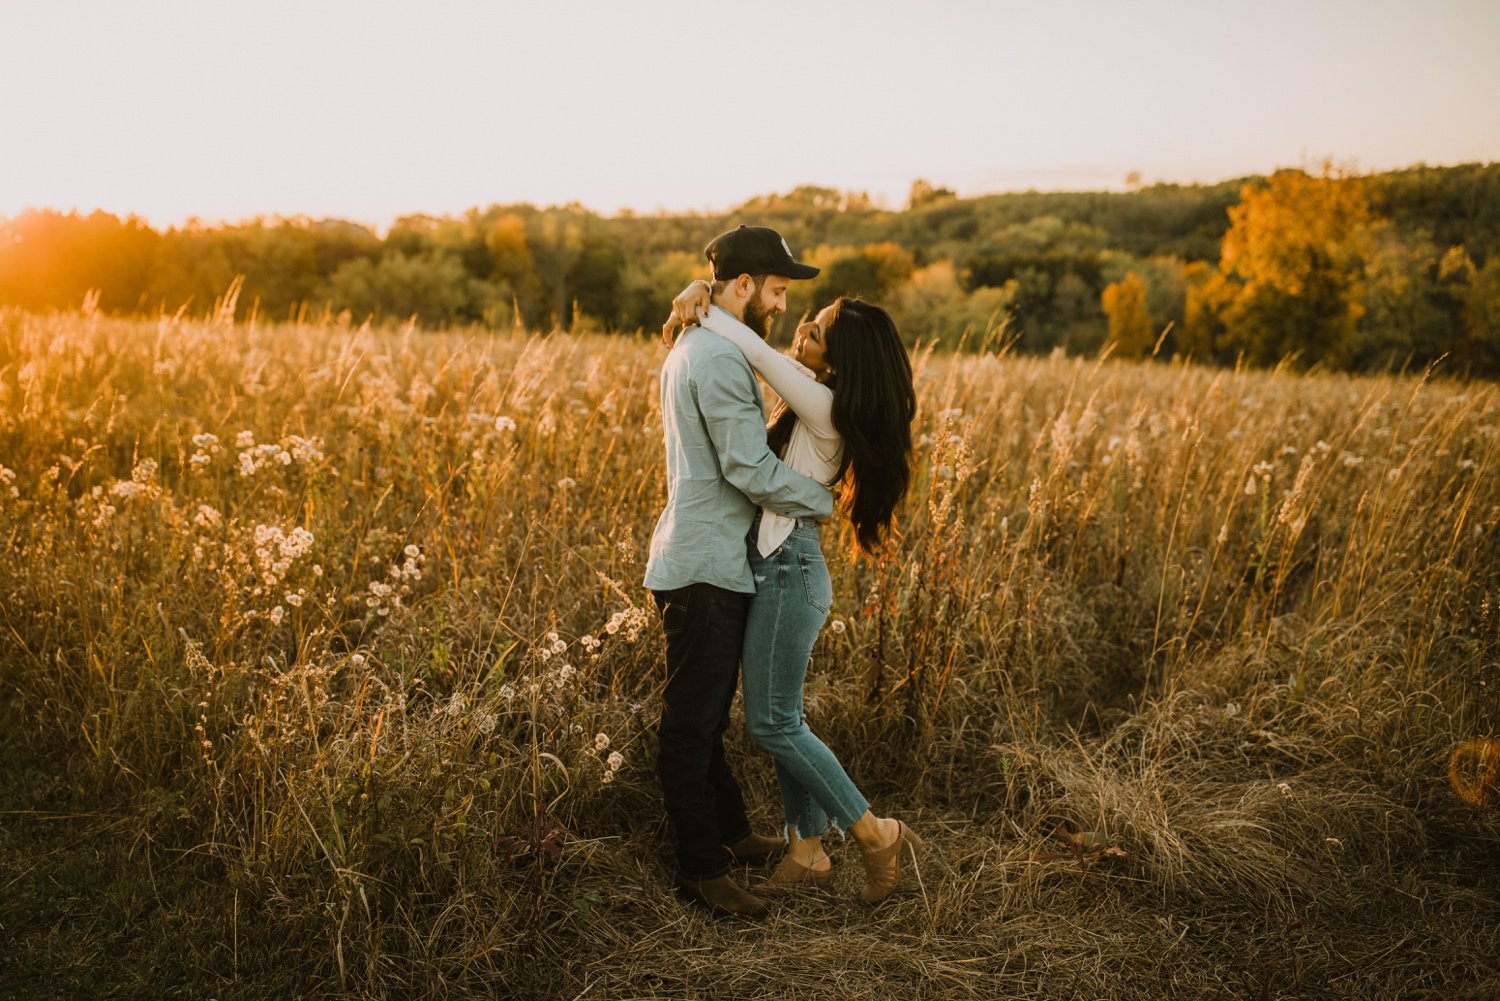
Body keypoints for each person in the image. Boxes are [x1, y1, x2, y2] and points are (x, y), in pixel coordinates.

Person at [662, 273, 924, 905]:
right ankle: (806, 848)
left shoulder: (825, 403)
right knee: (785, 716)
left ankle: (874, 831)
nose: (802, 325)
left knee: (773, 723)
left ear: (840, 357)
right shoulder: (822, 398)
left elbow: (754, 352)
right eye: (812, 317)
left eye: (820, 328)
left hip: (790, 569)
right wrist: (701, 284)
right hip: (782, 567)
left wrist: (702, 303)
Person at [643, 225, 833, 919]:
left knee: (708, 716)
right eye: (779, 289)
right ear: (744, 285)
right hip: (704, 565)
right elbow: (748, 468)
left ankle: (726, 832)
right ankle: (700, 867)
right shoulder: (718, 358)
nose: (783, 305)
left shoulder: (704, 341)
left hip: (706, 558)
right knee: (690, 724)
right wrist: (824, 499)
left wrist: (700, 295)